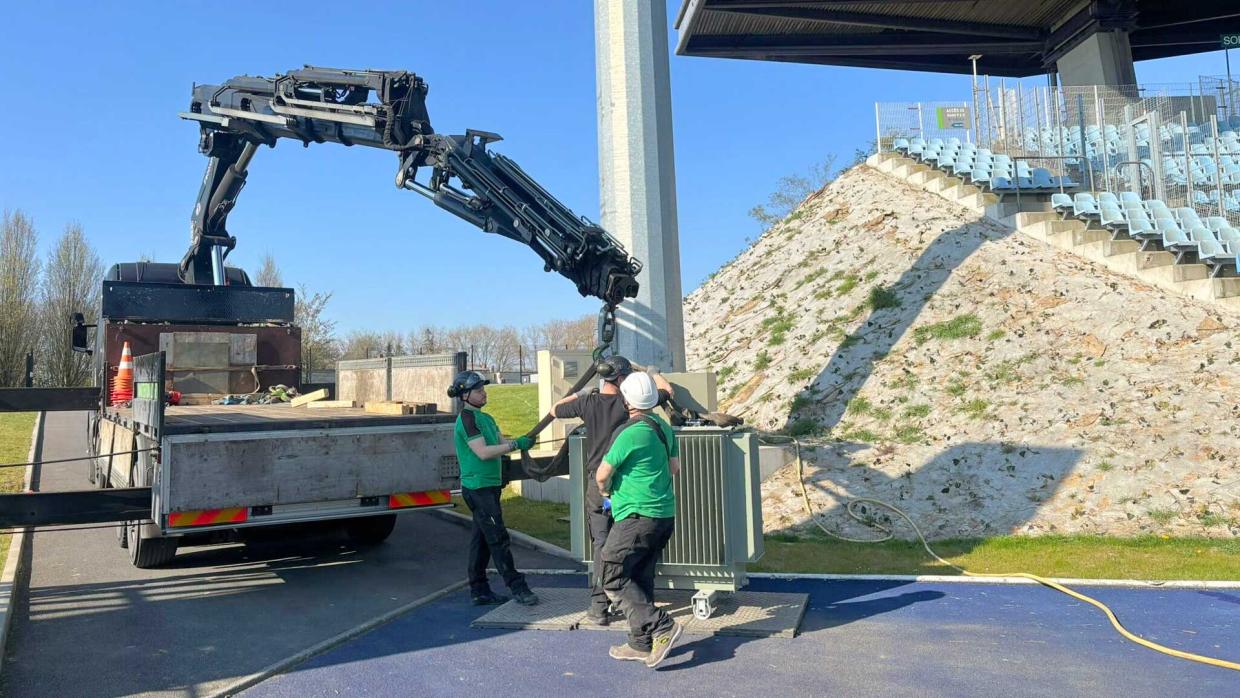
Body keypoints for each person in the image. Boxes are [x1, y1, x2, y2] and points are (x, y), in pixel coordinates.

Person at [552, 355, 673, 625]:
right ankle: (641, 603)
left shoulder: (589, 402)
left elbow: (555, 409)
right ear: (621, 379)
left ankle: (599, 606)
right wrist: (653, 371)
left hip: (597, 484)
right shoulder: (628, 404)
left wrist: (583, 393)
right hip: (625, 484)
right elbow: (666, 392)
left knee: (602, 545)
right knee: (633, 545)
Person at [595, 371, 682, 668]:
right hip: (662, 516)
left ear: (626, 399)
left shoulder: (629, 432)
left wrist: (606, 491)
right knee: (639, 577)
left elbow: (602, 474)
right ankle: (640, 642)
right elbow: (674, 468)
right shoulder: (662, 427)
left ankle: (662, 626)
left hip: (635, 517)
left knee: (612, 573)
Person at [448, 370, 539, 606]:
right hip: (477, 488)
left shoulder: (486, 418)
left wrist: (519, 442)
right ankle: (517, 586)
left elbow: (499, 443)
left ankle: (479, 590)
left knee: (482, 539)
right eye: (478, 391)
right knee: (497, 537)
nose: (483, 393)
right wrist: (514, 444)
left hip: (490, 486)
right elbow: (483, 452)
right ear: (465, 395)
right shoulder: (467, 419)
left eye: (483, 389)